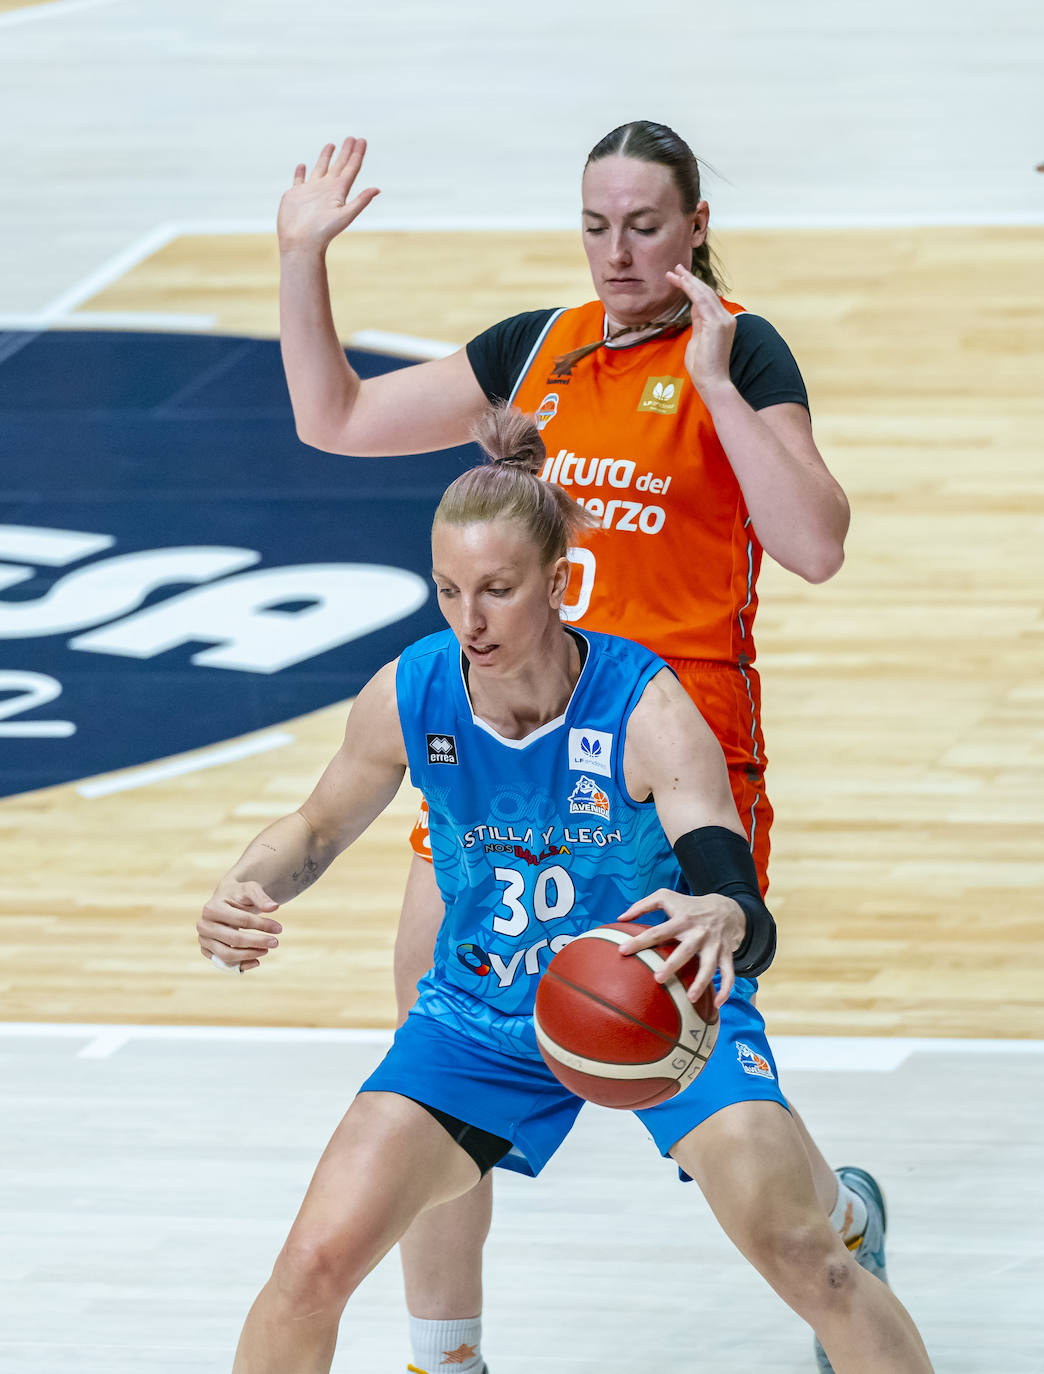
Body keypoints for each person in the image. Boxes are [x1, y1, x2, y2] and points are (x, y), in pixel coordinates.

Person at [273, 122, 880, 1374]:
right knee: (436, 1054)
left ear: (697, 227)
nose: (618, 252)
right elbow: (333, 418)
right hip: (502, 754)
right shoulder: (537, 351)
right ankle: (447, 1357)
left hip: (665, 765)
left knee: (687, 1052)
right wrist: (300, 261)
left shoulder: (741, 349)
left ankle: (839, 1232)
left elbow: (815, 542)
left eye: (646, 225)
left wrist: (715, 385)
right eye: (596, 225)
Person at [197, 424, 934, 1374]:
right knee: (310, 1268)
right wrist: (245, 881)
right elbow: (317, 826)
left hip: (664, 1009)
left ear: (559, 579)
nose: (472, 621)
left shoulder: (647, 708)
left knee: (813, 1265)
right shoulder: (412, 691)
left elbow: (737, 901)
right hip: (475, 1020)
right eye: (450, 591)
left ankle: (844, 1227)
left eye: (498, 590)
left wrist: (727, 916)